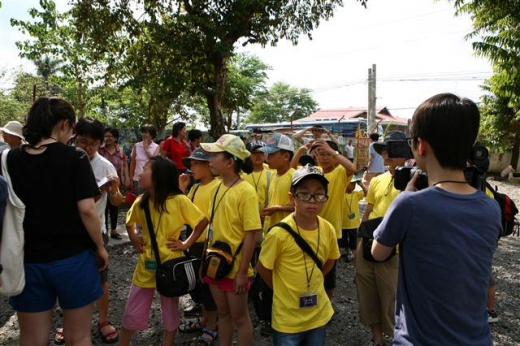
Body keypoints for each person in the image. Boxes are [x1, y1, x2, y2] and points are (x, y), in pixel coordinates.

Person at [371, 93, 501, 345]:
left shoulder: (409, 204)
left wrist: (405, 197)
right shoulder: (491, 207)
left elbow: (378, 253)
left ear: (421, 146)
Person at [6, 97, 108, 346]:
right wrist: (101, 247)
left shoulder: (11, 159)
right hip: (72, 260)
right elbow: (87, 210)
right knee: (79, 337)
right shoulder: (76, 157)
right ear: (64, 124)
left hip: (28, 261)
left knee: (31, 339)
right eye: (72, 129)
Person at [121, 156, 209, 346]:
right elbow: (130, 222)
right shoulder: (141, 201)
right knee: (132, 308)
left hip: (171, 267)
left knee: (170, 309)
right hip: (146, 265)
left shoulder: (179, 200)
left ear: (158, 177)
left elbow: (202, 221)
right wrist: (133, 236)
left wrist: (185, 243)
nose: (140, 172)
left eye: (145, 169)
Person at [256, 164, 340, 345]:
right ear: (291, 197)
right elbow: (263, 268)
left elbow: (331, 260)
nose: (312, 200)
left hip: (318, 315)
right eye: (304, 193)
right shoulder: (278, 234)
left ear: (325, 198)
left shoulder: (328, 229)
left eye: (318, 194)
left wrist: (315, 278)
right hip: (287, 320)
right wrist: (280, 288)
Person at [199, 134, 261, 346]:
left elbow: (251, 233)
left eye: (215, 155)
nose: (210, 160)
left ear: (230, 161)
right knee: (223, 314)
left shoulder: (246, 191)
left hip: (236, 268)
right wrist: (203, 262)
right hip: (215, 264)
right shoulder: (216, 187)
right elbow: (211, 227)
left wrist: (243, 272)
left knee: (240, 318)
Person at [68, 118, 122, 344]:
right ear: (74, 138)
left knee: (100, 279)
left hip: (96, 231)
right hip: (68, 231)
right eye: (82, 141)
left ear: (101, 144)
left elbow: (117, 201)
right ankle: (69, 323)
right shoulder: (65, 160)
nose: (87, 147)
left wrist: (115, 189)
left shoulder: (105, 165)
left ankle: (103, 319)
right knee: (69, 279)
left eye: (92, 143)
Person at [356, 130, 408, 346]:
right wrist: (360, 240)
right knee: (367, 295)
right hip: (368, 243)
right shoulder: (378, 180)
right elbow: (368, 211)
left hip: (395, 251)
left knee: (391, 299)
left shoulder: (415, 180)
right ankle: (377, 339)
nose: (385, 153)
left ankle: (396, 339)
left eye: (391, 149)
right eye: (384, 149)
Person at [177, 148, 220, 346]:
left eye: (196, 164)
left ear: (209, 165)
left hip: (208, 245)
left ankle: (212, 326)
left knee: (207, 286)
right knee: (196, 285)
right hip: (192, 243)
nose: (192, 168)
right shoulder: (194, 188)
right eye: (191, 164)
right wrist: (182, 190)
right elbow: (182, 211)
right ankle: (204, 320)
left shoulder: (218, 187)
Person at [259, 134, 296, 234]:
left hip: (286, 232)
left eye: (272, 154)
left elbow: (300, 207)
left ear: (286, 156)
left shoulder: (295, 177)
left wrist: (277, 208)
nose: (267, 158)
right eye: (267, 154)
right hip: (269, 230)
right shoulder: (272, 175)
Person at [98, 127, 130, 240]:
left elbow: (125, 165)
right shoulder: (99, 150)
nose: (107, 138)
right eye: (106, 136)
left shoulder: (120, 151)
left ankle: (114, 230)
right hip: (103, 183)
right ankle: (104, 230)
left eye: (110, 136)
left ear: (115, 138)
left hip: (116, 183)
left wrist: (127, 178)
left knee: (115, 205)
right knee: (104, 206)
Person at [340, 176, 367, 261]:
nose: (354, 186)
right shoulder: (340, 195)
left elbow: (367, 193)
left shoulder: (356, 194)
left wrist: (361, 184)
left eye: (355, 184)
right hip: (342, 224)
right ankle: (344, 253)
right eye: (352, 183)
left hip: (353, 224)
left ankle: (354, 256)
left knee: (354, 242)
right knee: (342, 241)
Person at [129, 124, 159, 195]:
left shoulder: (156, 147)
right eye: (143, 132)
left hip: (150, 179)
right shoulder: (137, 145)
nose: (143, 134)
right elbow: (133, 162)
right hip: (137, 178)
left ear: (151, 135)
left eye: (146, 133)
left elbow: (154, 161)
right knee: (138, 200)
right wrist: (131, 178)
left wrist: (147, 150)